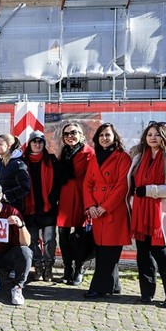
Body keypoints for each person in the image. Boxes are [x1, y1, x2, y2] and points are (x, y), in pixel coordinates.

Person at [129, 121, 166, 308]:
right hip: (140, 211)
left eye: (157, 134)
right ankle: (146, 293)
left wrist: (149, 190)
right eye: (150, 134)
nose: (153, 137)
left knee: (162, 255)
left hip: (160, 215)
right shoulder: (139, 156)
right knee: (143, 255)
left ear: (165, 136)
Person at [82, 123, 131, 298]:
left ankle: (100, 287)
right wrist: (91, 206)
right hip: (97, 211)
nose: (104, 138)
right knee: (102, 250)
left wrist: (104, 207)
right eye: (101, 135)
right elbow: (87, 183)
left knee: (109, 251)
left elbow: (122, 186)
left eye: (108, 135)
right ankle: (114, 286)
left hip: (113, 211)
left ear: (114, 137)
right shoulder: (95, 158)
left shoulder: (122, 157)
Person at [56, 122, 94, 285]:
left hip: (81, 198)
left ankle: (79, 269)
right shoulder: (64, 152)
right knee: (63, 236)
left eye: (73, 133)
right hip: (64, 199)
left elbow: (91, 179)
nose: (70, 136)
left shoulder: (89, 153)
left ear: (81, 134)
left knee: (81, 236)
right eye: (66, 134)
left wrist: (90, 203)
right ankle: (67, 268)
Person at [22, 131, 59, 282]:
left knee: (50, 240)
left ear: (44, 144)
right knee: (32, 240)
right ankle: (38, 265)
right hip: (30, 208)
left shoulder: (51, 160)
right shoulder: (22, 161)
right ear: (29, 144)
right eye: (34, 142)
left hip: (47, 207)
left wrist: (53, 199)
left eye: (40, 142)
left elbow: (58, 183)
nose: (37, 144)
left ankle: (49, 266)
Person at [0, 133, 30, 213]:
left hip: (13, 209)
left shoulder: (18, 164)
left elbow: (25, 187)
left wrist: (6, 196)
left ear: (9, 146)